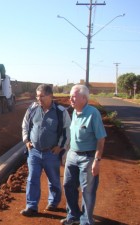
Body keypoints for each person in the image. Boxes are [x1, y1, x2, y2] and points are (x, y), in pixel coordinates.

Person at [20, 84, 71, 217]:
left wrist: (60, 146)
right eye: (37, 95)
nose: (39, 98)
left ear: (50, 96)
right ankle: (31, 206)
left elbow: (67, 130)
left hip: (51, 153)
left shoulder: (60, 111)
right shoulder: (32, 108)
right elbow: (25, 125)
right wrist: (26, 141)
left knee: (53, 179)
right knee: (32, 179)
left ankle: (53, 202)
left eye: (42, 96)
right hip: (34, 152)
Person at [61, 84, 107, 225]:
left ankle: (86, 221)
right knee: (68, 185)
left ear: (84, 98)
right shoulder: (75, 112)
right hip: (72, 155)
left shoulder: (93, 113)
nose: (70, 99)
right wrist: (67, 152)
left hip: (88, 157)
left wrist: (97, 160)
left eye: (73, 97)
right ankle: (73, 215)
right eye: (70, 97)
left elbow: (101, 138)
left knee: (87, 190)